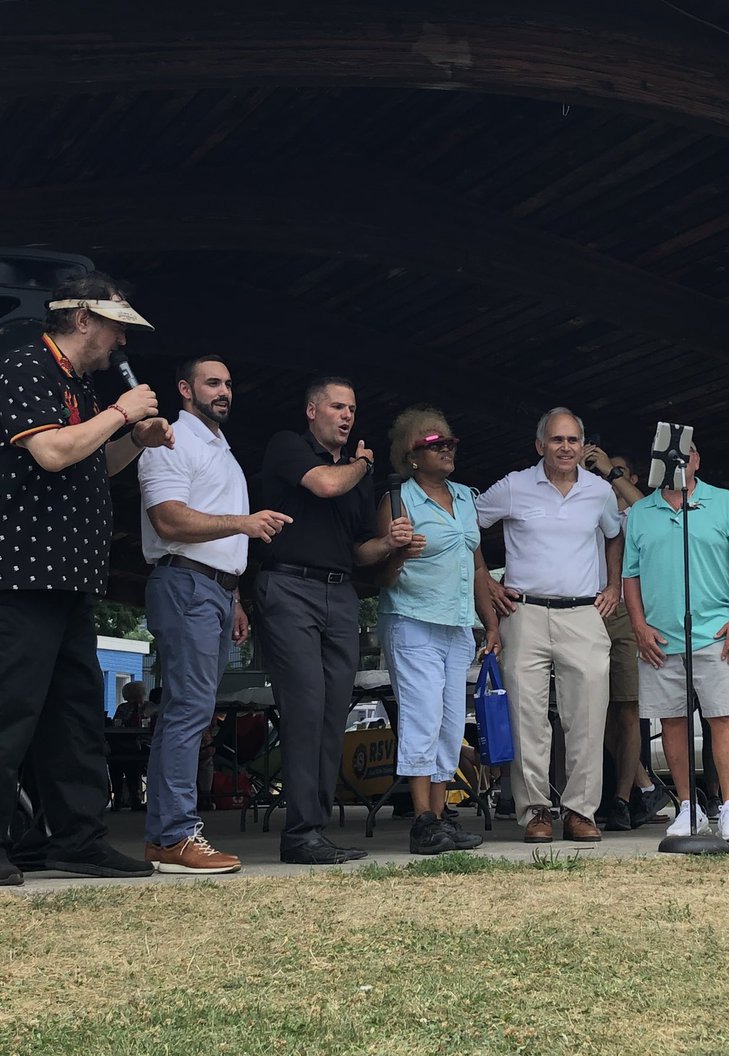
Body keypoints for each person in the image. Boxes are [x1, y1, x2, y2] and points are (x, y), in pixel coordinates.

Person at [0, 273, 174, 886]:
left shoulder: (79, 387)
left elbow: (92, 457)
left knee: (73, 714)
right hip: (13, 572)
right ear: (82, 320)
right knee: (4, 709)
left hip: (65, 576)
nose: (121, 341)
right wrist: (124, 411)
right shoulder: (22, 367)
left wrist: (136, 440)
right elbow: (51, 452)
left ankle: (77, 839)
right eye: (117, 327)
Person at [138, 355, 292, 874]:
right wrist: (244, 523)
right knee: (188, 712)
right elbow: (169, 519)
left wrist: (234, 598)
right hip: (185, 581)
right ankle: (175, 834)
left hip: (213, 590)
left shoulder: (221, 450)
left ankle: (168, 834)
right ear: (184, 389)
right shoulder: (172, 441)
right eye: (212, 382)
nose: (224, 391)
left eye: (228, 383)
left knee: (190, 711)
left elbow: (215, 541)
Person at [255, 376, 413, 864]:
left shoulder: (356, 478)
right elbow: (324, 484)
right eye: (337, 407)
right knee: (304, 706)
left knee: (331, 713)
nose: (347, 416)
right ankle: (300, 832)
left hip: (339, 592)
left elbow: (360, 548)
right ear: (312, 411)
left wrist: (388, 543)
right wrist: (363, 463)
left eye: (352, 409)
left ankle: (313, 828)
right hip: (289, 586)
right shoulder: (290, 447)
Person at [475, 407, 622, 844]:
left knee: (590, 715)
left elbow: (615, 535)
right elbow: (467, 528)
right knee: (526, 717)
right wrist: (486, 581)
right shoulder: (515, 485)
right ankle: (536, 811)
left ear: (583, 446)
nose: (565, 448)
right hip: (525, 612)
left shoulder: (599, 491)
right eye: (557, 440)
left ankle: (580, 811)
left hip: (584, 612)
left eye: (573, 440)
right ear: (540, 445)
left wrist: (613, 584)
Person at [622, 436, 729, 843]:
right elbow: (630, 575)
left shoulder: (725, 503)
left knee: (723, 716)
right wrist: (639, 624)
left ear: (697, 459)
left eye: (684, 456)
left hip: (715, 633)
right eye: (666, 457)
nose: (676, 463)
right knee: (672, 720)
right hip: (660, 639)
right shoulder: (641, 512)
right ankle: (688, 807)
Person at [376, 406, 500, 855]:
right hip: (412, 621)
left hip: (456, 624)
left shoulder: (466, 496)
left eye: (449, 441)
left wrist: (491, 623)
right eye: (434, 444)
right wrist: (399, 553)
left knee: (451, 723)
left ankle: (443, 814)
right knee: (422, 718)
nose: (446, 449)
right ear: (411, 456)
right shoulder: (398, 500)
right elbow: (380, 577)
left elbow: (478, 563)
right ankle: (422, 819)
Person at [581, 444, 649, 830]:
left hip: (626, 610)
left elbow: (643, 511)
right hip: (588, 607)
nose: (602, 473)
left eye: (616, 470)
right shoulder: (587, 499)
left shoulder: (637, 508)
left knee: (627, 708)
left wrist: (610, 471)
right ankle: (640, 782)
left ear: (631, 476)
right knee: (594, 709)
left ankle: (623, 798)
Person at [109, 680, 146, 811]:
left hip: (132, 746)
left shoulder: (145, 708)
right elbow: (118, 724)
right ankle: (128, 797)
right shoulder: (125, 708)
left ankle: (127, 797)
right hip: (129, 746)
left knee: (128, 765)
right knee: (127, 764)